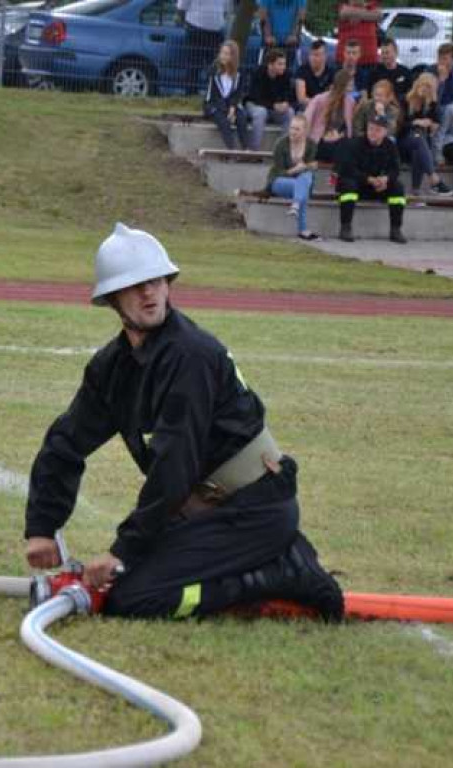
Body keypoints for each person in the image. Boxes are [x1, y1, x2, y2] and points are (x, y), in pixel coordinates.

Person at [23, 223, 345, 622]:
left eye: (157, 280)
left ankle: (283, 572)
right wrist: (42, 526)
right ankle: (264, 560)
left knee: (133, 599)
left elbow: (174, 465)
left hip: (254, 510)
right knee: (124, 584)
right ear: (111, 299)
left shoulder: (190, 355)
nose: (149, 292)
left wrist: (123, 550)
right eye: (135, 284)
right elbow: (66, 441)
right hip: (202, 510)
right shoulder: (113, 367)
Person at [336, 113, 408, 243]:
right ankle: (345, 227)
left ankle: (395, 229)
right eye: (370, 129)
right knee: (348, 184)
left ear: (385, 132)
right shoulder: (355, 144)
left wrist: (386, 179)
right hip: (358, 184)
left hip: (378, 186)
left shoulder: (390, 146)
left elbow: (395, 169)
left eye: (377, 130)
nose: (373, 133)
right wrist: (369, 179)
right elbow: (348, 169)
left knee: (398, 187)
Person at [267, 114, 321, 241]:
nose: (293, 132)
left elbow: (310, 166)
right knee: (302, 184)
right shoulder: (281, 144)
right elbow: (278, 172)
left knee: (306, 178)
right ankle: (303, 229)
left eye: (297, 129)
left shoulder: (311, 145)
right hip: (279, 181)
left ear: (305, 131)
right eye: (292, 128)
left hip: (302, 181)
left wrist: (308, 166)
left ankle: (295, 205)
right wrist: (294, 170)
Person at [400, 72, 451, 195]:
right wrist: (416, 122)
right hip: (404, 140)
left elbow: (436, 124)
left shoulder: (431, 105)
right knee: (418, 136)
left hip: (421, 144)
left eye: (429, 87)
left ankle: (415, 191)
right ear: (417, 84)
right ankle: (434, 178)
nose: (424, 89)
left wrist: (431, 123)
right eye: (423, 85)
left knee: (418, 145)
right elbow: (399, 126)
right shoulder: (405, 99)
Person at [177, 0, 232, 94]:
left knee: (215, 65)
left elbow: (181, 8)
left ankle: (213, 93)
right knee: (194, 65)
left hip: (214, 31)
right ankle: (191, 94)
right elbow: (181, 8)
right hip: (197, 28)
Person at [204, 40, 250, 149]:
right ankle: (231, 150)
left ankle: (246, 148)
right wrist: (225, 110)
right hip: (214, 104)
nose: (223, 56)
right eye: (222, 53)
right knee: (223, 122)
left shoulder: (240, 73)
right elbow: (212, 95)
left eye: (227, 54)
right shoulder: (213, 71)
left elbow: (238, 93)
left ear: (233, 57)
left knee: (242, 118)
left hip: (231, 104)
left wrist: (232, 108)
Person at [245, 49, 295, 150]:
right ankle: (254, 151)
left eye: (284, 64)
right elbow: (255, 97)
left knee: (290, 113)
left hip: (274, 108)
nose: (283, 67)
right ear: (270, 65)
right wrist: (273, 105)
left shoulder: (286, 75)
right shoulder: (258, 73)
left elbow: (289, 94)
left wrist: (285, 103)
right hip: (255, 104)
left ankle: (280, 150)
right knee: (260, 113)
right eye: (280, 64)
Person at [304, 68, 356, 163]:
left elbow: (348, 126)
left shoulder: (350, 101)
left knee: (348, 146)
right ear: (342, 84)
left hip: (340, 140)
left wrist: (339, 136)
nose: (352, 86)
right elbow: (306, 120)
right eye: (350, 83)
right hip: (320, 140)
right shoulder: (319, 99)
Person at [336, 0, 380, 74]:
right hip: (346, 60)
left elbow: (379, 16)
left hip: (369, 60)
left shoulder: (372, 4)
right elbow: (344, 13)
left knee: (367, 85)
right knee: (344, 84)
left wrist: (356, 14)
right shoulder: (343, 6)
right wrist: (368, 14)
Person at [295, 39, 336, 111]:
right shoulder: (301, 71)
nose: (313, 58)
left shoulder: (332, 72)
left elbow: (332, 96)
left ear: (325, 56)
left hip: (325, 108)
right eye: (311, 54)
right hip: (307, 107)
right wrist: (317, 104)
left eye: (317, 55)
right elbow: (301, 98)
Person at [367, 39, 411, 105]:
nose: (384, 56)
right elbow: (370, 94)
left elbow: (410, 92)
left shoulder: (405, 72)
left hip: (400, 106)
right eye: (382, 53)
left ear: (396, 52)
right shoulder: (375, 72)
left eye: (387, 53)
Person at [430, 43, 453, 108]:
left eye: (445, 59)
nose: (441, 61)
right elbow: (434, 100)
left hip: (450, 109)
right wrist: (441, 81)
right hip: (432, 107)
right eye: (439, 58)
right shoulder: (430, 71)